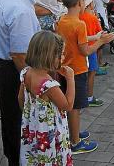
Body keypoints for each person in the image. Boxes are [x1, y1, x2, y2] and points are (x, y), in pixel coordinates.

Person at [56, 0, 114, 154]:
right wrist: (101, 41)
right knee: (75, 107)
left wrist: (94, 36)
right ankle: (75, 142)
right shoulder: (79, 23)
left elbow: (74, 40)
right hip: (78, 70)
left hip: (64, 69)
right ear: (81, 2)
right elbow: (86, 50)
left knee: (71, 104)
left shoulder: (63, 20)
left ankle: (72, 133)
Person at [0, 0, 44, 166]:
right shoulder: (22, 9)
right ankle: (18, 159)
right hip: (13, 71)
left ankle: (12, 155)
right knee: (18, 120)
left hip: (4, 66)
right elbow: (20, 56)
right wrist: (33, 86)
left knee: (10, 119)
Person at [19, 31, 74, 166]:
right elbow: (67, 105)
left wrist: (32, 116)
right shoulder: (49, 85)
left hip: (34, 129)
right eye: (60, 55)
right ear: (49, 56)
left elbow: (21, 100)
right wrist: (71, 78)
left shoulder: (26, 72)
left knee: (35, 159)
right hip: (49, 134)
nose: (62, 58)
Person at [79, 0, 105, 107]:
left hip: (80, 48)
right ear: (90, 4)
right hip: (92, 47)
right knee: (92, 73)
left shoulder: (78, 17)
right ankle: (89, 96)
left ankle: (81, 95)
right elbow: (99, 32)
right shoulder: (93, 18)